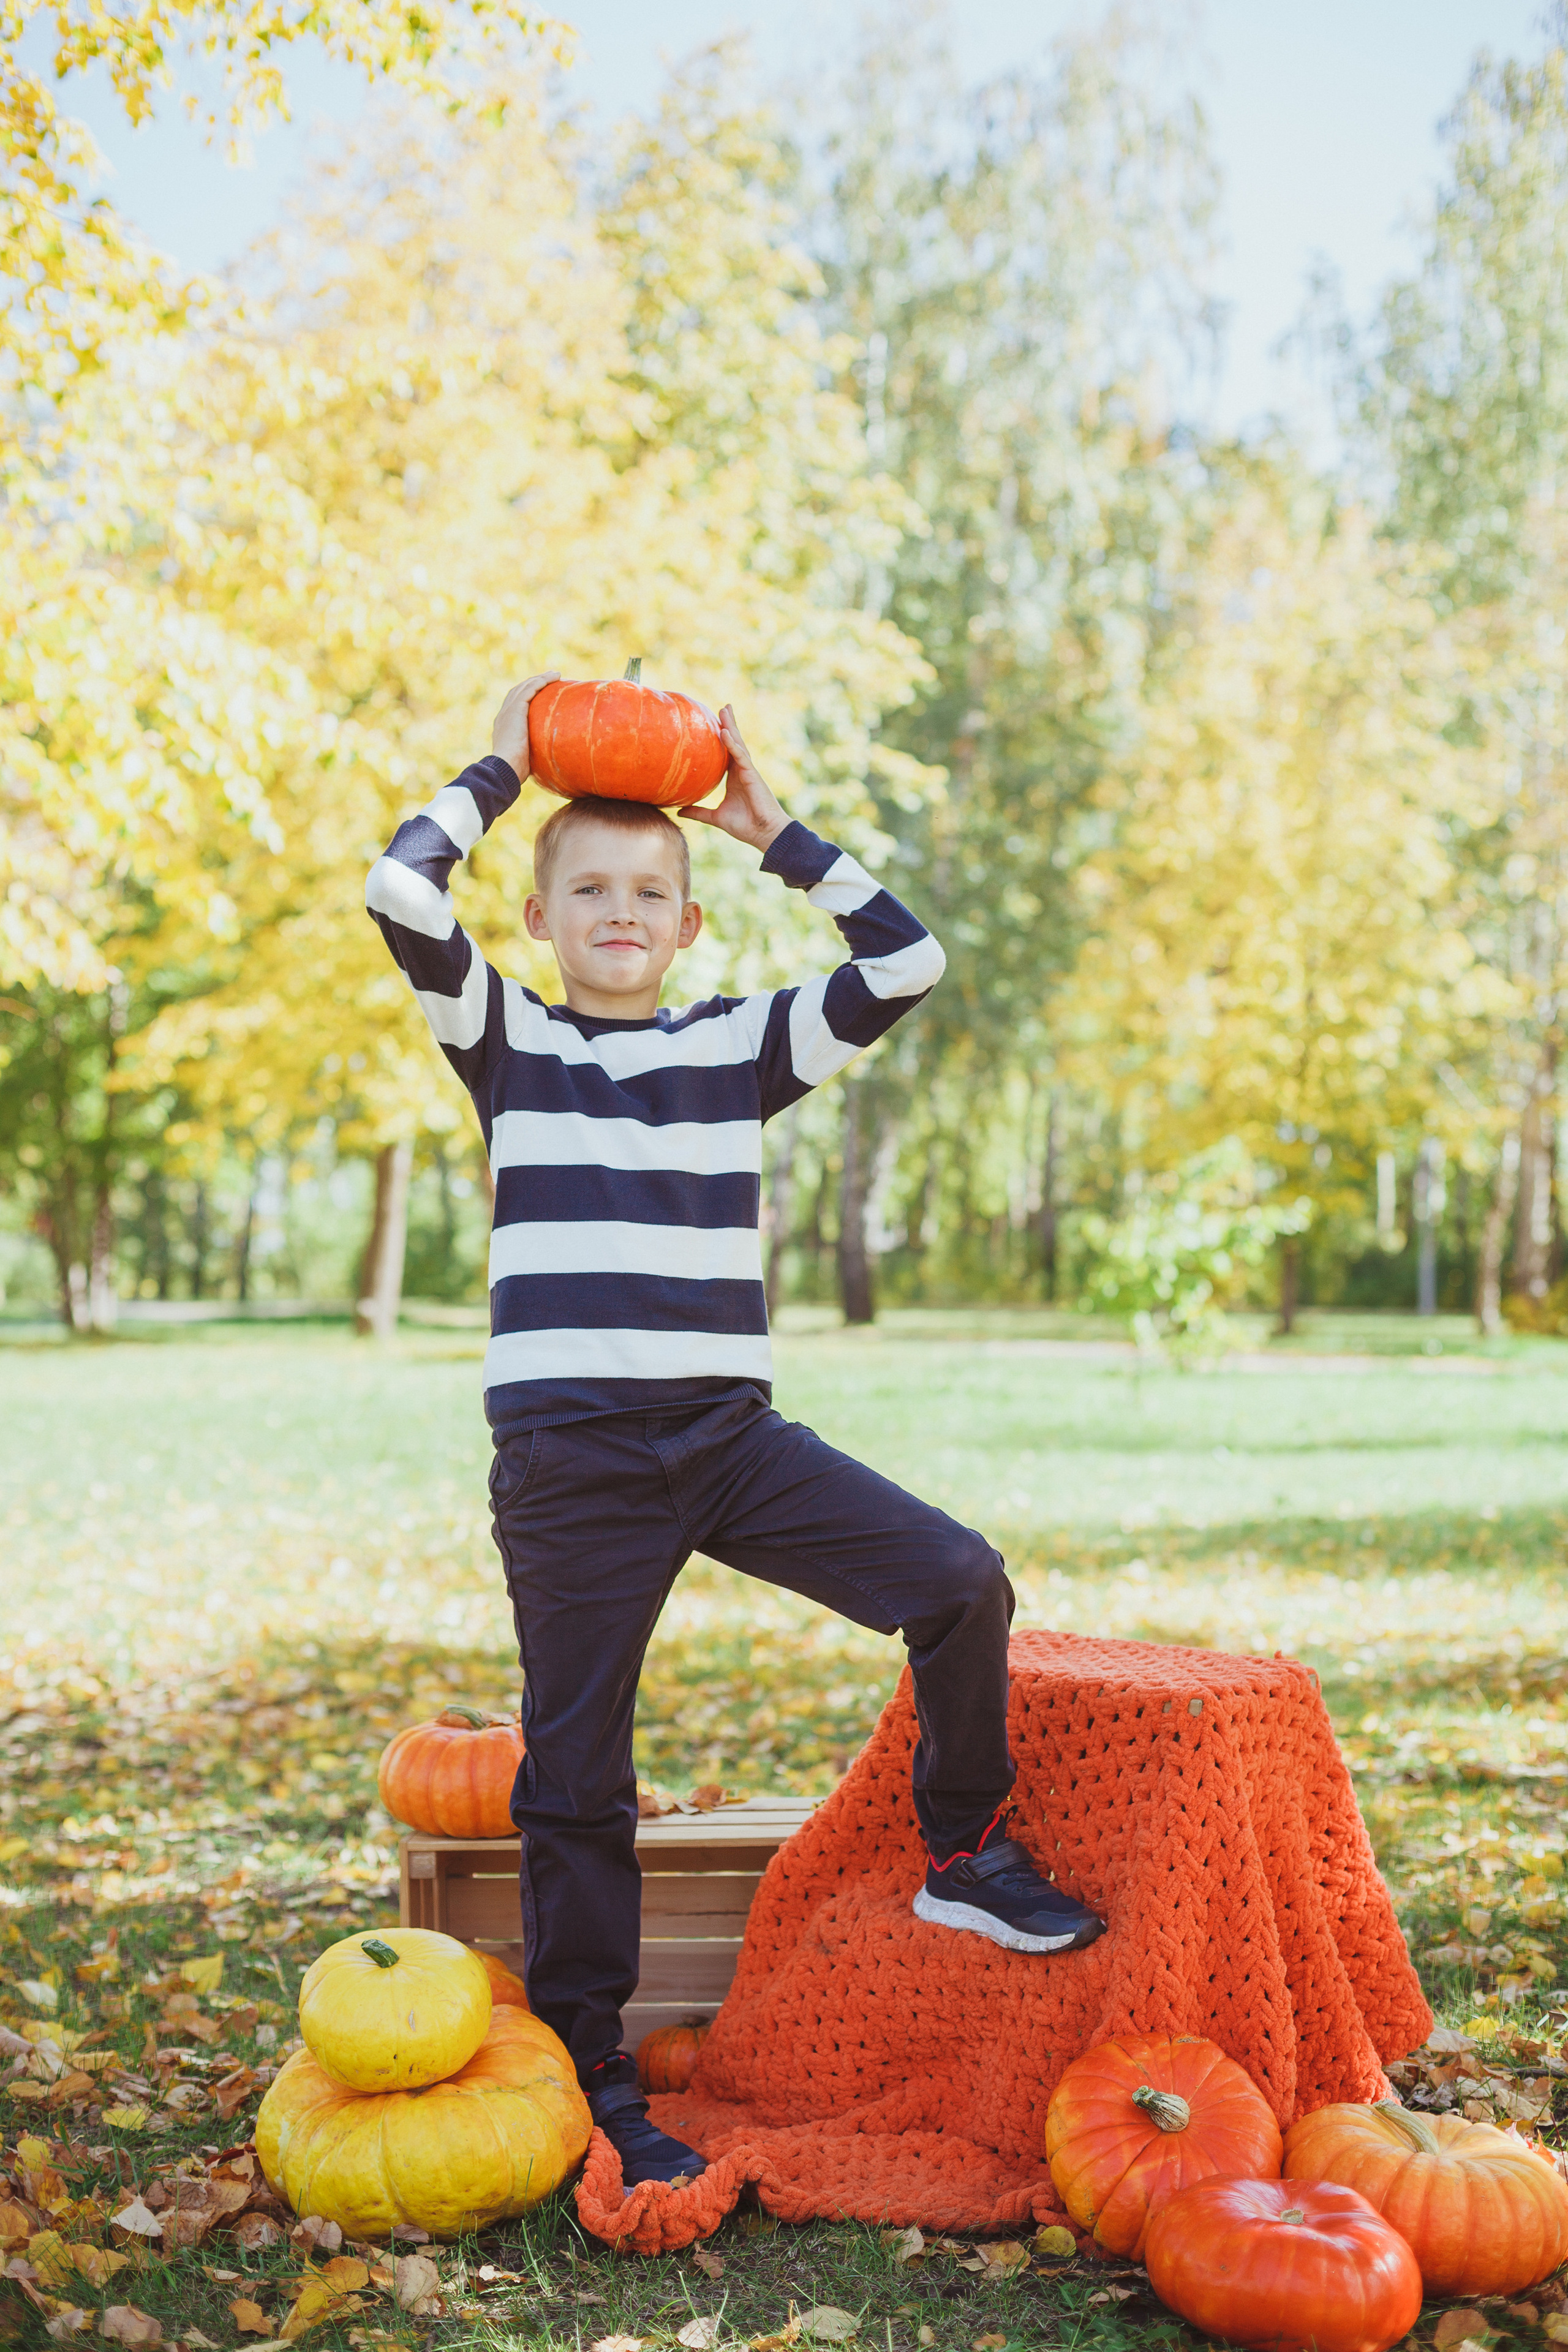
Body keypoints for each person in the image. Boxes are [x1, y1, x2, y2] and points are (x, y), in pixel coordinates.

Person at [366, 674, 1105, 2186]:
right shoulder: (504, 1038)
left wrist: (773, 831)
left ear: (689, 923)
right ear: (541, 919)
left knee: (958, 1580)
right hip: (572, 1458)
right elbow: (397, 883)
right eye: (589, 890)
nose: (621, 910)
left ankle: (963, 1853)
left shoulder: (734, 1048)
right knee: (574, 1772)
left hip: (726, 1437)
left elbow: (908, 962)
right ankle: (592, 2075)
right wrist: (506, 765)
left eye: (650, 890)